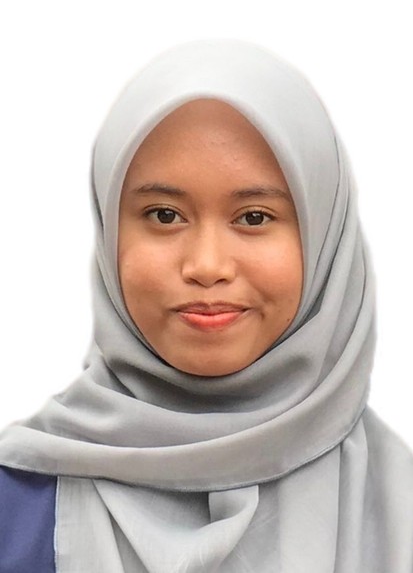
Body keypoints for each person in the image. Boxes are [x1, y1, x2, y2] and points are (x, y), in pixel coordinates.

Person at [0, 39, 412, 572]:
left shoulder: (400, 512)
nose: (207, 264)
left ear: (325, 238)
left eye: (254, 217)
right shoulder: (17, 505)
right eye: (164, 215)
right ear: (109, 231)